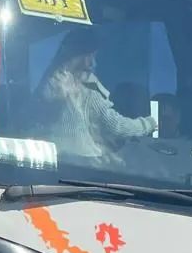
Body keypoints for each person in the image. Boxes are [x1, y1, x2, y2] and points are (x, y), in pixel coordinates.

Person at [38, 28, 157, 161]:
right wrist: (151, 123)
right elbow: (117, 126)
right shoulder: (87, 94)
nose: (93, 63)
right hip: (82, 164)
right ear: (80, 56)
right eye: (91, 56)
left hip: (53, 159)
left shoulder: (46, 85)